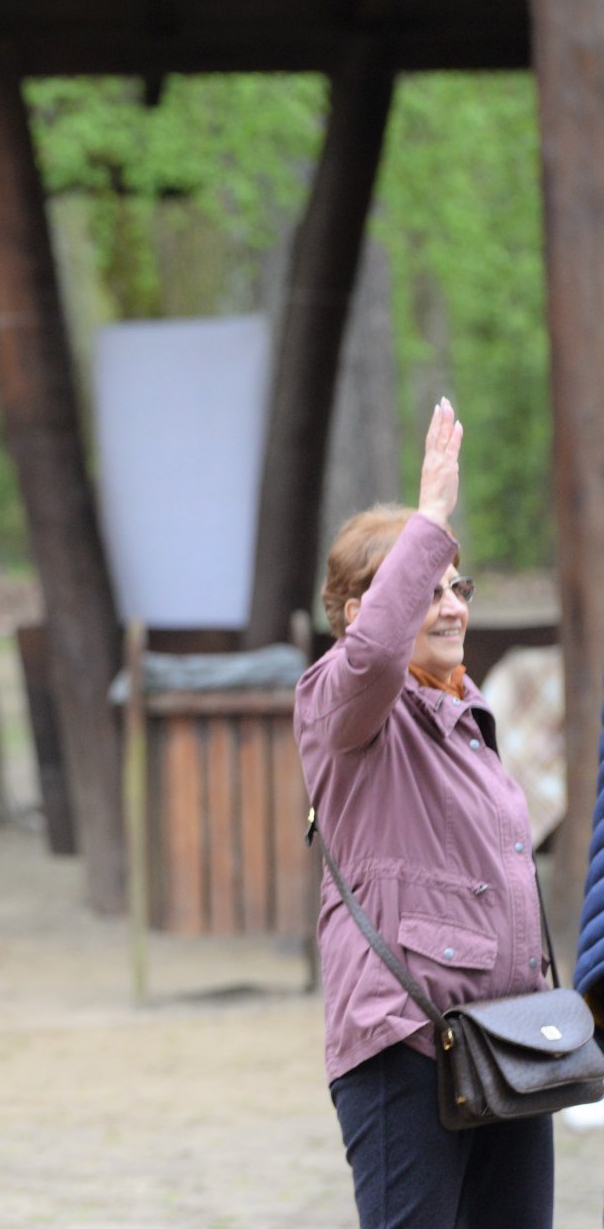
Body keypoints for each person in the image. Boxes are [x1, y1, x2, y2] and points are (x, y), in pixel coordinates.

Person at [296, 398, 552, 1227]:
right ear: (354, 612)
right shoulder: (343, 705)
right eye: (421, 589)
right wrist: (432, 515)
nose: (447, 606)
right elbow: (374, 656)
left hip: (508, 1040)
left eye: (455, 586)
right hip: (403, 1042)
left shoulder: (468, 712)